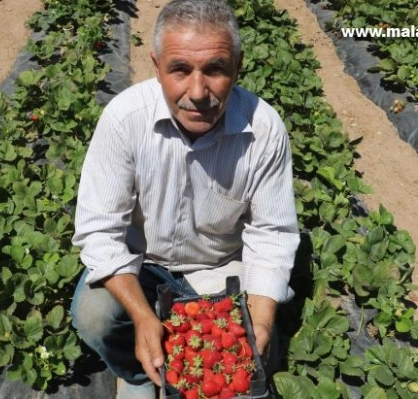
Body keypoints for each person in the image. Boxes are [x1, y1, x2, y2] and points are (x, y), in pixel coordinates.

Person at [69, 0, 300, 397]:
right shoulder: (125, 120)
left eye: (215, 69)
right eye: (180, 70)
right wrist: (143, 317)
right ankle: (138, 371)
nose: (198, 91)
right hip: (143, 266)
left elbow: (272, 234)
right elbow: (99, 232)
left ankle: (186, 363)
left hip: (222, 271)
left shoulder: (263, 129)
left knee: (260, 350)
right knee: (94, 316)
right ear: (156, 66)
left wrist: (259, 322)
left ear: (238, 66)